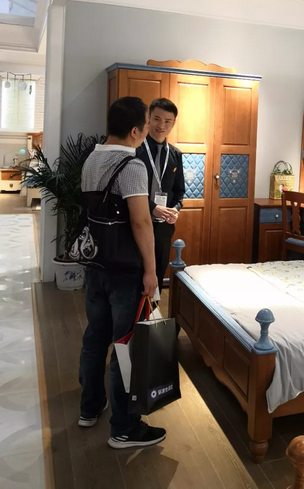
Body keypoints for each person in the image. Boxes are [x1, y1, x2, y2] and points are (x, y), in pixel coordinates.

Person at [78, 96, 166, 449]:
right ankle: (124, 428)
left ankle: (89, 407)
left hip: (95, 265)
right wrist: (151, 271)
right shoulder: (133, 165)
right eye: (146, 127)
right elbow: (140, 221)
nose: (147, 133)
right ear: (134, 131)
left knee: (95, 337)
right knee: (125, 346)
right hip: (125, 272)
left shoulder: (91, 159)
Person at [137, 98, 185, 293]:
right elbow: (127, 191)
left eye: (167, 121)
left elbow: (179, 191)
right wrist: (152, 208)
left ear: (173, 123)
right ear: (148, 118)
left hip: (163, 228)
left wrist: (175, 209)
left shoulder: (175, 154)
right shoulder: (136, 150)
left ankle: (152, 310)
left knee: (157, 277)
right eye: (157, 119)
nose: (161, 126)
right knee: (138, 278)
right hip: (138, 224)